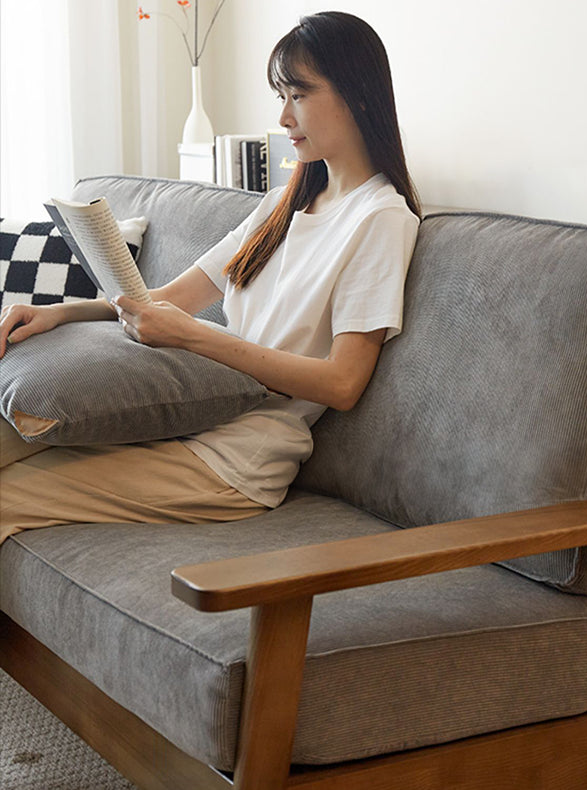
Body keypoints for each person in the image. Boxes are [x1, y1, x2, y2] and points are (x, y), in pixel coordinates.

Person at [0, 11, 421, 544]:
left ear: (358, 96)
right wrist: (60, 313)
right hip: (184, 417)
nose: (284, 117)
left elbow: (342, 383)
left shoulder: (380, 219)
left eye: (299, 95)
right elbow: (171, 299)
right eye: (281, 96)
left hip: (234, 461)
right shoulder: (281, 206)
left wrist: (195, 335)